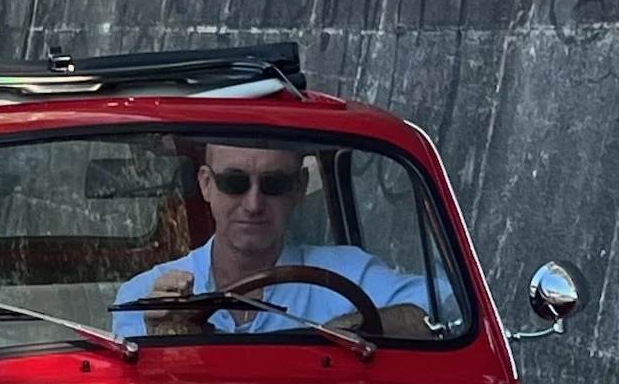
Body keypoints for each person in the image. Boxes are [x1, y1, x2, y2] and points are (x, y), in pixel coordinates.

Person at [113, 142, 433, 338]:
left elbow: (444, 307)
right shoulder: (148, 297)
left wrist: (350, 330)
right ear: (207, 184)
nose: (253, 204)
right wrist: (168, 339)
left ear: (298, 188)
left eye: (274, 183)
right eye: (235, 182)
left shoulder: (348, 273)